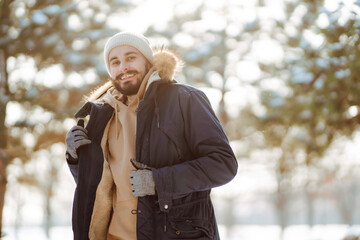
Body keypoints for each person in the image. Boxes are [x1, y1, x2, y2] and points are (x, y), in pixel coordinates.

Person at [65, 31, 238, 240]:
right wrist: (77, 159)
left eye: (130, 58)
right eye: (115, 62)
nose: (123, 67)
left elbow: (223, 164)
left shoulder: (185, 99)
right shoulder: (101, 114)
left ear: (148, 61)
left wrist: (159, 181)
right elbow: (99, 188)